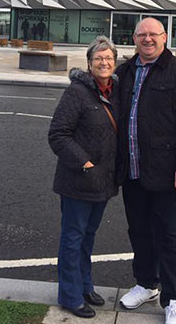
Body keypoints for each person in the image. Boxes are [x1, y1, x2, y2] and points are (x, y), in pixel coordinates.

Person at [116, 18, 176, 324]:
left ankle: (174, 299)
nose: (148, 39)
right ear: (134, 38)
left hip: (169, 175)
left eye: (154, 34)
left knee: (170, 237)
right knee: (140, 233)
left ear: (165, 37)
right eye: (142, 34)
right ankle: (146, 283)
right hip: (133, 172)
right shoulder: (125, 72)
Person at [48, 36, 119, 319]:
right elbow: (57, 135)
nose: (104, 63)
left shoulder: (115, 91)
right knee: (73, 238)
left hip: (103, 182)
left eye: (108, 58)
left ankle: (85, 286)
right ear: (89, 64)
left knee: (88, 237)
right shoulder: (77, 92)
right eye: (98, 58)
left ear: (115, 63)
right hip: (79, 181)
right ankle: (70, 295)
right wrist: (85, 164)